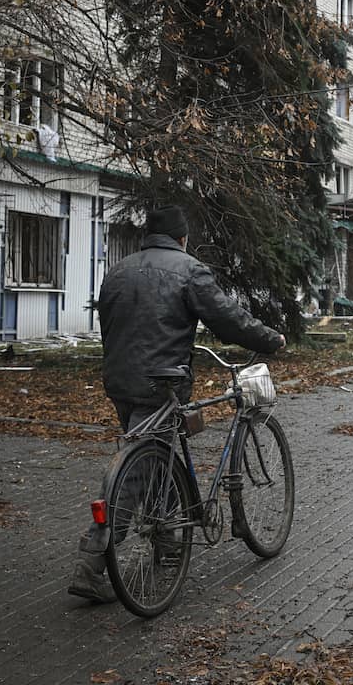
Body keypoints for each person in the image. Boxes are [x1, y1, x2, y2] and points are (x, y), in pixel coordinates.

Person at [67, 205, 285, 603]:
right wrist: (268, 339)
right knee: (134, 474)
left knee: (155, 460)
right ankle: (92, 562)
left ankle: (168, 543)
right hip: (161, 384)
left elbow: (115, 327)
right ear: (182, 237)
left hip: (121, 382)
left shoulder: (118, 270)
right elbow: (227, 319)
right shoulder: (188, 269)